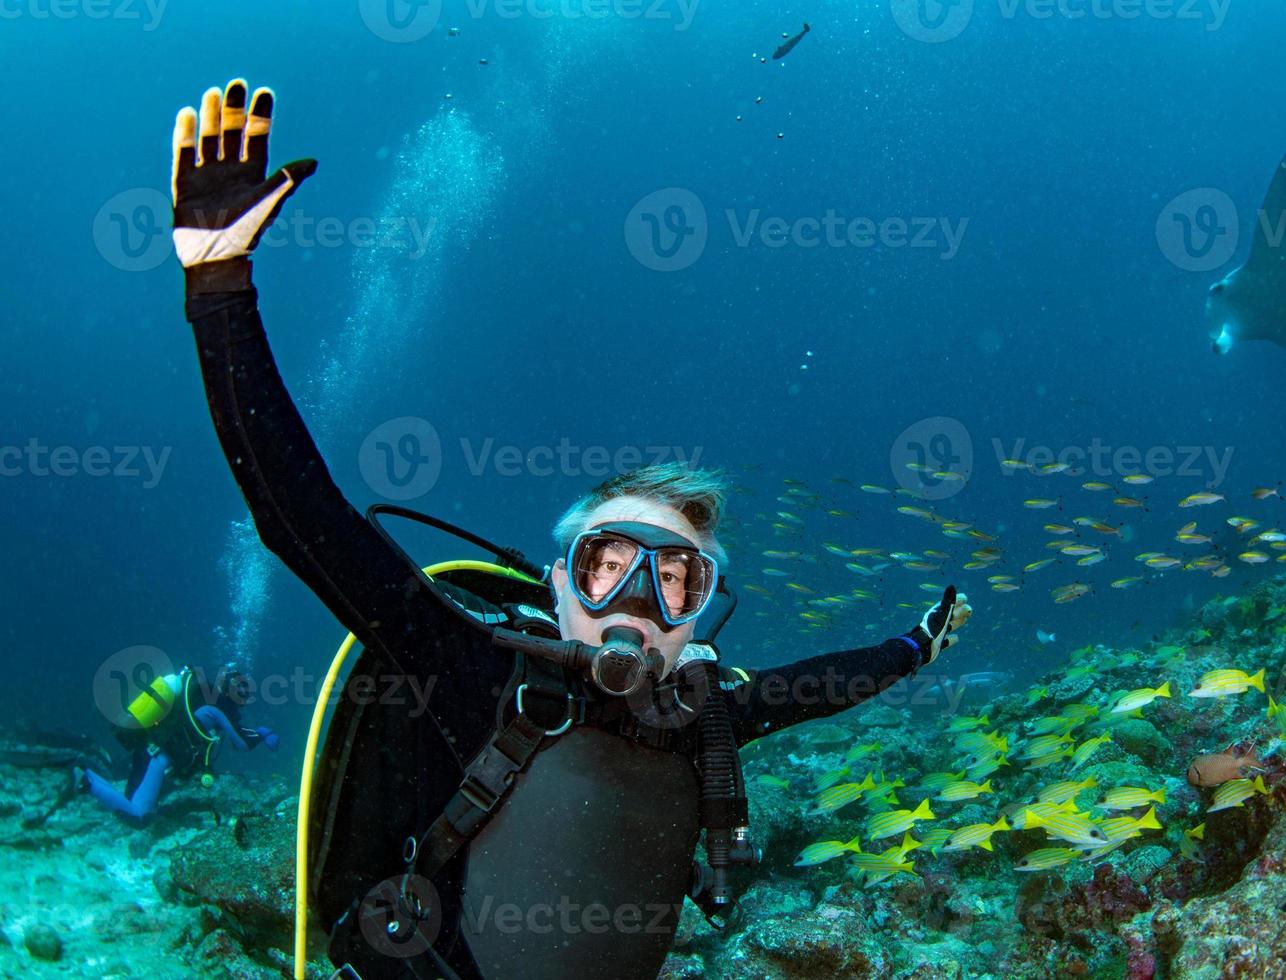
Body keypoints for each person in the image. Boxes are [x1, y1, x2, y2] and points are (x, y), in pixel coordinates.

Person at [166, 78, 973, 980]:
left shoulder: (703, 717)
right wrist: (219, 284)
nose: (639, 600)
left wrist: (915, 646)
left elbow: (821, 685)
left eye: (675, 580)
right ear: (559, 584)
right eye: (610, 564)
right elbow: (295, 513)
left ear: (701, 613)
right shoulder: (462, 666)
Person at [82, 664, 279, 821]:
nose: (243, 696)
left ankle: (84, 773)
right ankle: (83, 781)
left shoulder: (202, 696)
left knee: (134, 806)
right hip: (155, 758)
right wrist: (262, 733)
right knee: (139, 816)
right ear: (228, 688)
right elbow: (242, 742)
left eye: (246, 692)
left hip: (150, 751)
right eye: (241, 690)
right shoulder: (218, 705)